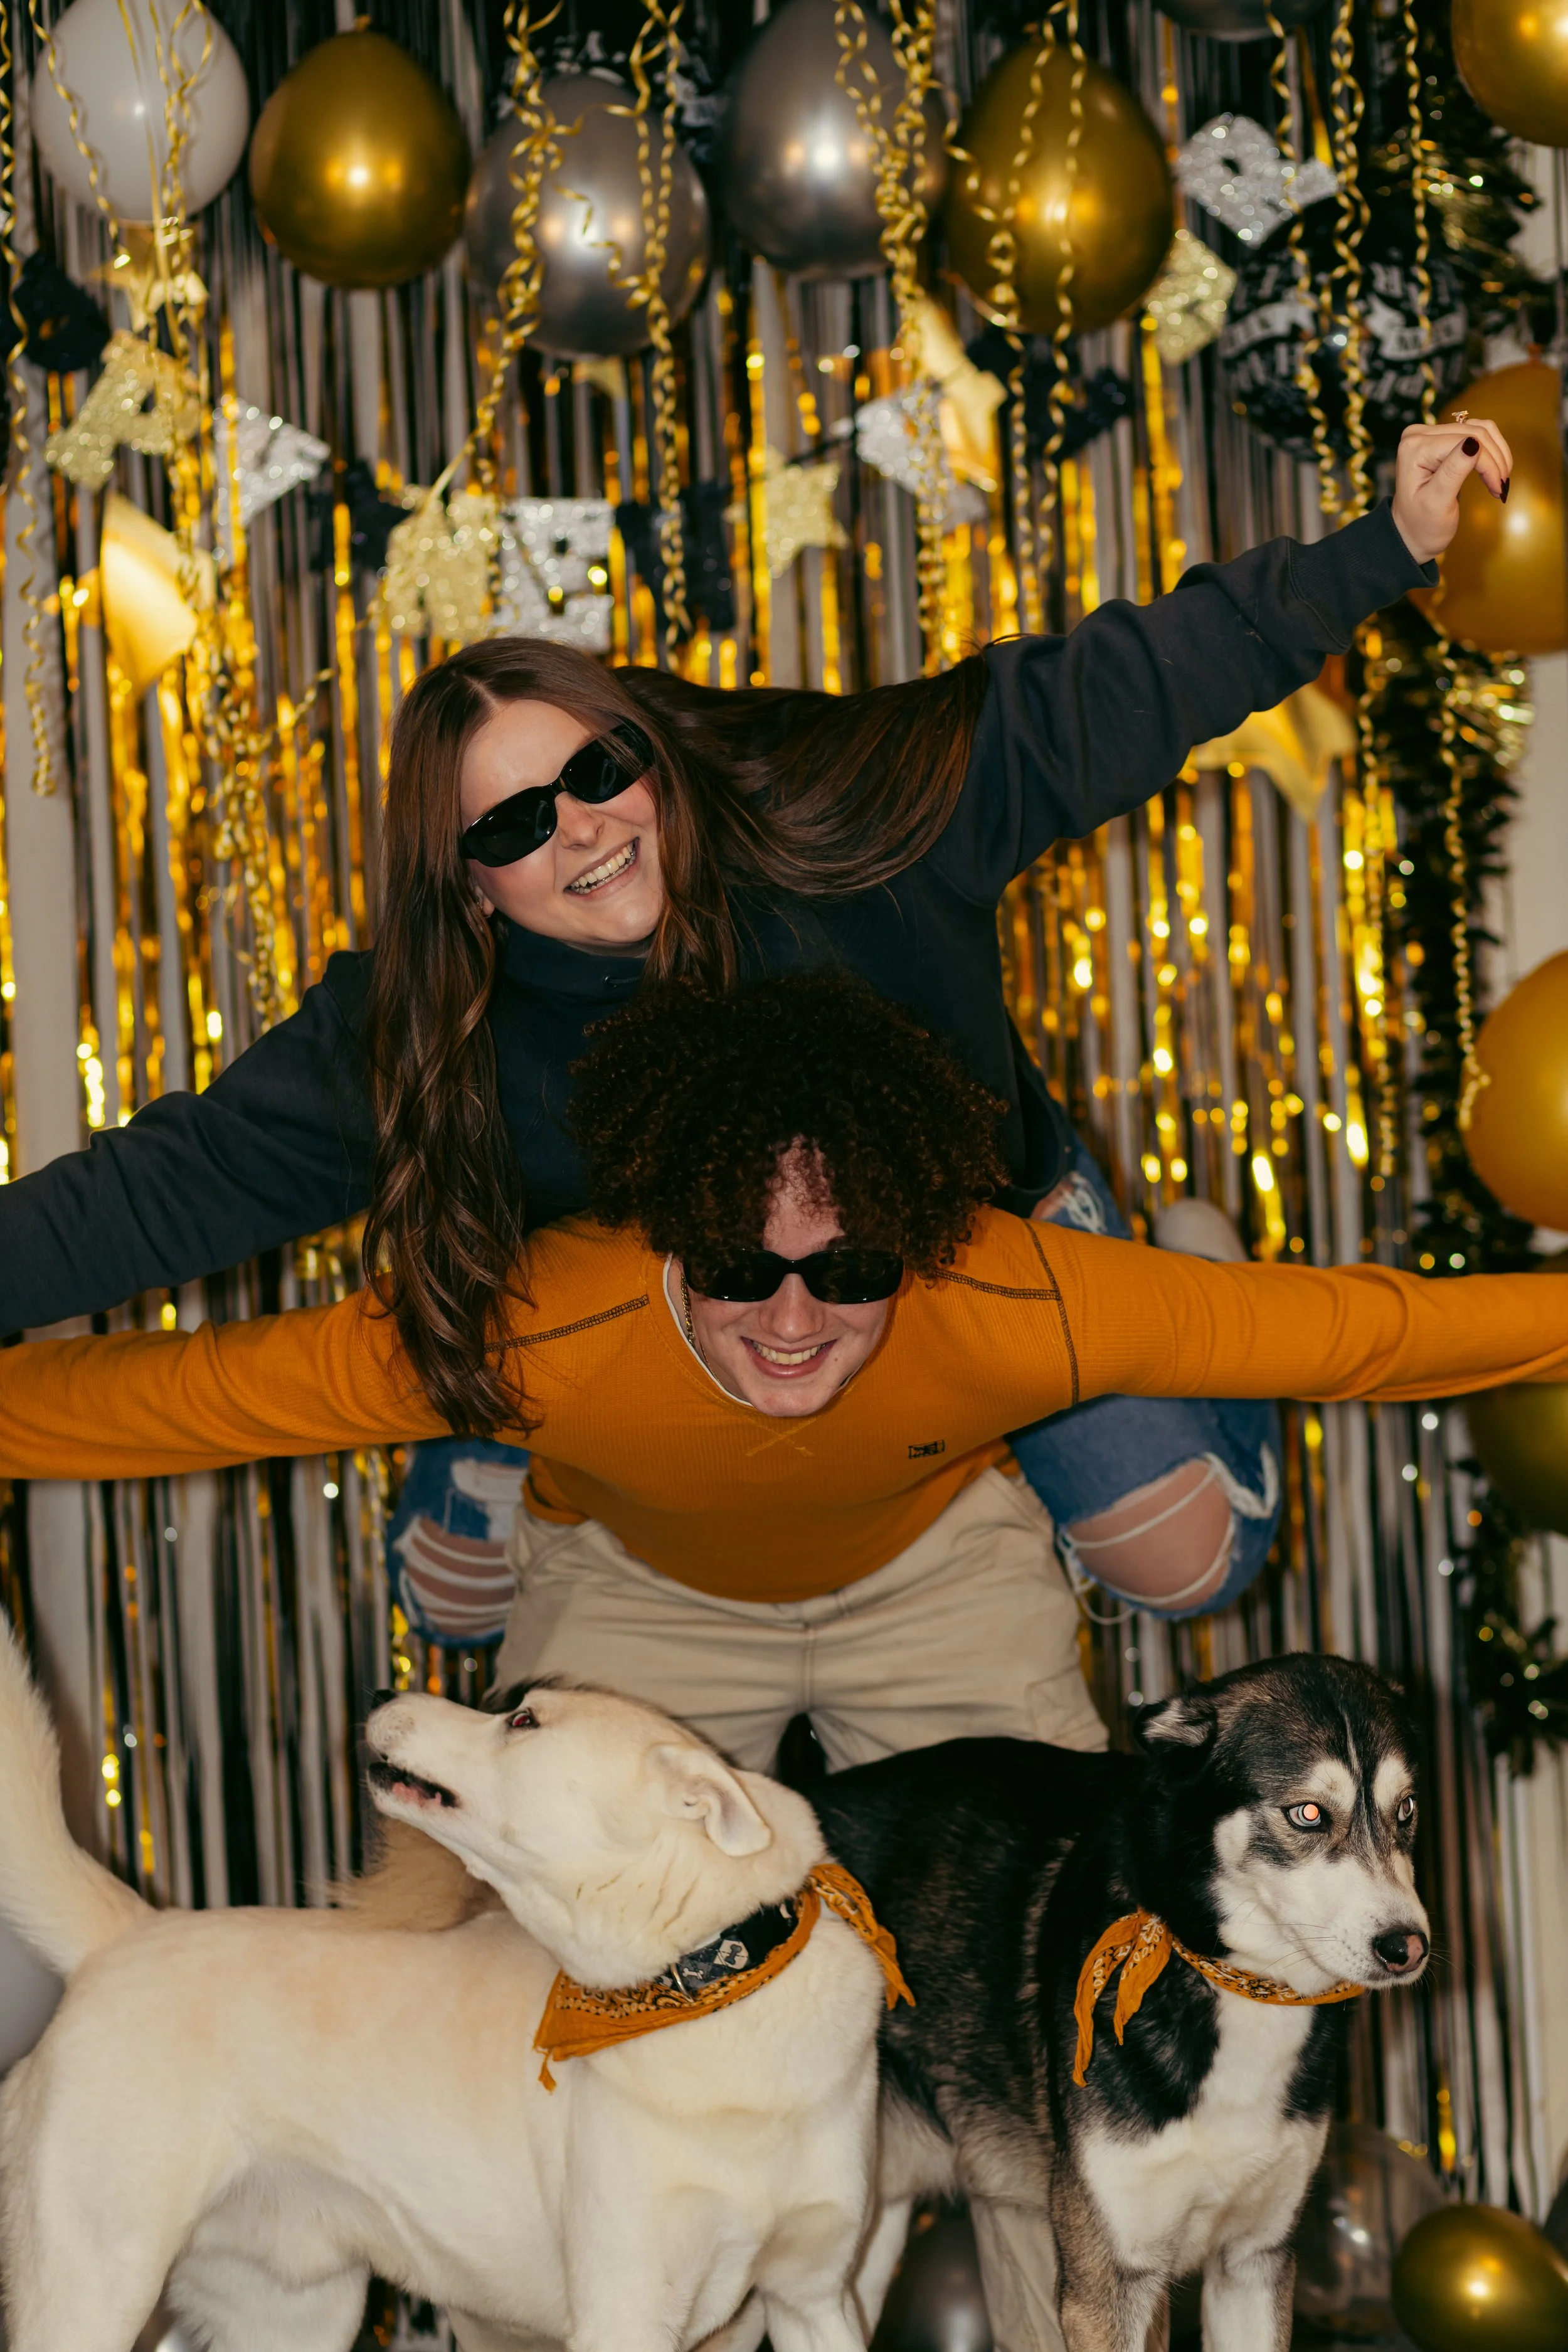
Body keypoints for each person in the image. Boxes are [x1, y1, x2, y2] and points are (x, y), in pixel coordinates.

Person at [2, 965, 1559, 2352]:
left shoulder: (1011, 1292)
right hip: (642, 1566)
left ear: (920, 1245)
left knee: (1065, 1967)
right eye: (740, 1271)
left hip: (932, 1557)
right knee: (533, 1963)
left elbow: (1359, 1330)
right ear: (666, 1245)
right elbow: (208, 1393)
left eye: (850, 1267)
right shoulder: (553, 1319)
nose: (796, 1318)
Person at [0, 421, 1511, 1625]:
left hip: (959, 1249)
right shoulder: (419, 1022)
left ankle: (1155, 1293)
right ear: (465, 890)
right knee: (452, 1601)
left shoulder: (846, 815)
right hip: (629, 1324)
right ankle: (509, 1436)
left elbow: (1101, 698)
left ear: (647, 754)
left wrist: (1379, 549)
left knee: (1185, 1567)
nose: (582, 833)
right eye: (517, 825)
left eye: (596, 774)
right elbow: (170, 1184)